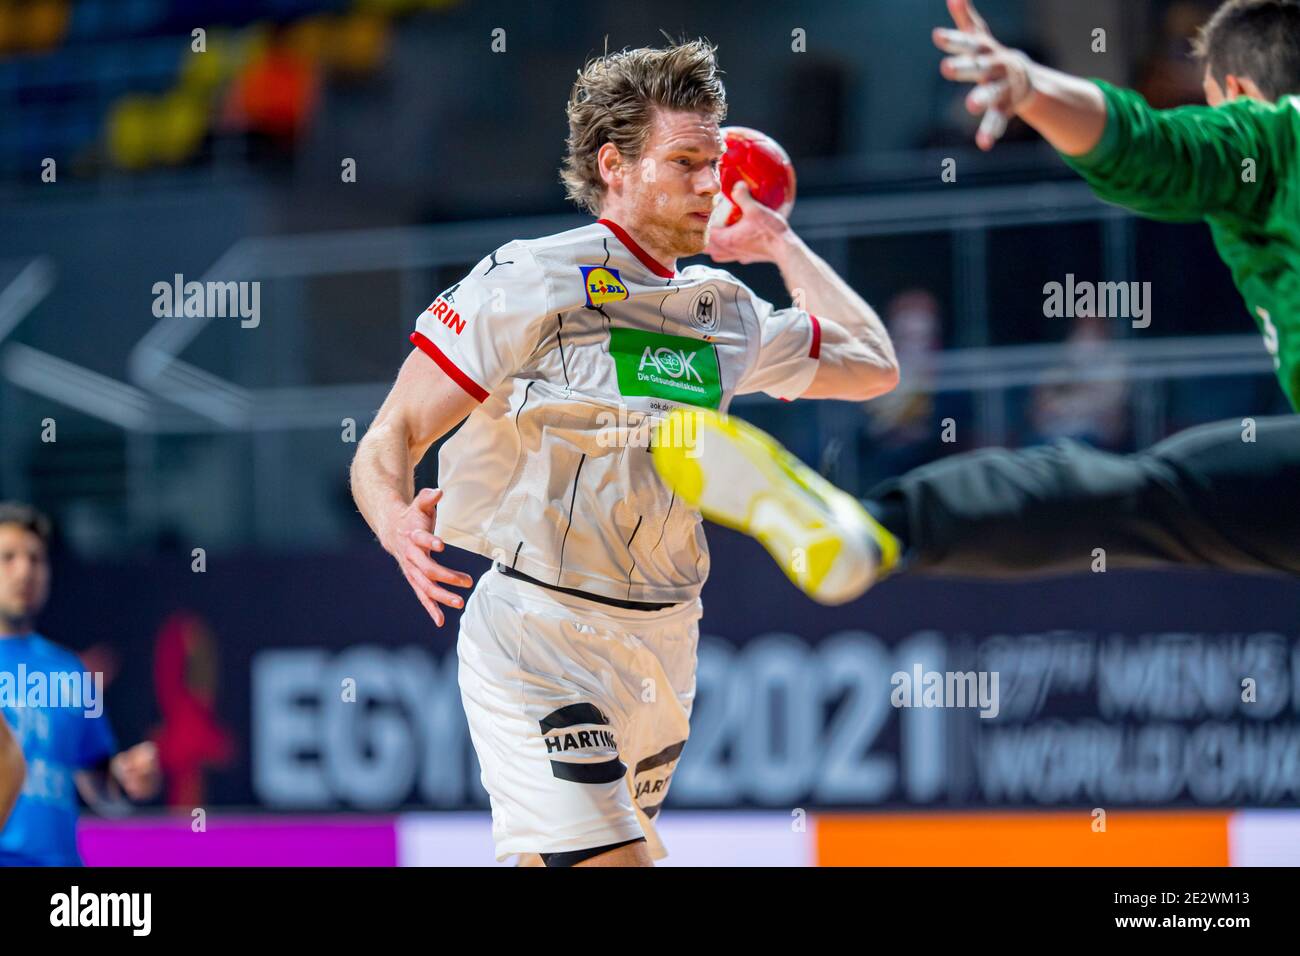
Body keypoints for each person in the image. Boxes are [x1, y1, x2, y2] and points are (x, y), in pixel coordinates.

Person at [349, 40, 898, 866]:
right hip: (540, 628)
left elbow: (873, 362)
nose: (712, 184)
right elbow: (390, 433)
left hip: (666, 641)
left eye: (715, 161)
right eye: (685, 162)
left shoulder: (727, 310)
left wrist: (781, 245)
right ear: (615, 164)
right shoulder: (529, 279)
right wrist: (393, 518)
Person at [650, 0, 1300, 602]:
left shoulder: (1272, 134)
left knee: (1140, 495)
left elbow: (1146, 146)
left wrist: (1031, 87)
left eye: (1211, 103)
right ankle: (875, 531)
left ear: (1239, 95)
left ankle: (881, 531)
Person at [0, 502, 162, 866]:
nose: (24, 570)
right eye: (7, 557)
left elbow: (99, 788)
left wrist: (125, 778)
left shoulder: (69, 670)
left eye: (36, 559)